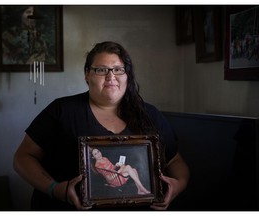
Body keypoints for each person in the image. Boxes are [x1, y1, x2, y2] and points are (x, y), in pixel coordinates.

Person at [13, 41, 189, 210]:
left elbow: (175, 160)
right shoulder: (62, 111)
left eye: (118, 70)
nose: (111, 76)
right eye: (101, 70)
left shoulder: (149, 114)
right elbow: (23, 157)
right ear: (87, 74)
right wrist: (55, 189)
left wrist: (178, 185)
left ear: (127, 75)